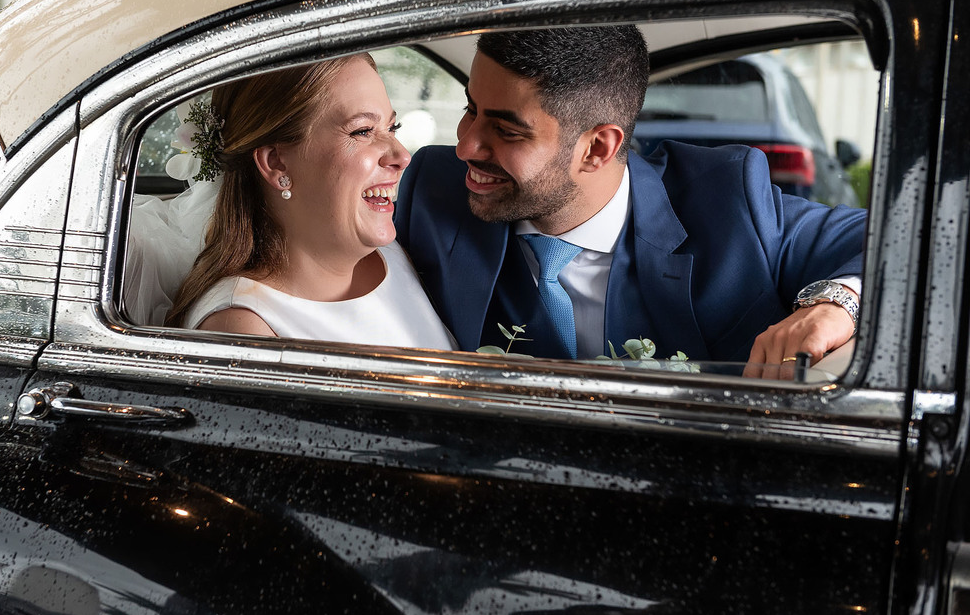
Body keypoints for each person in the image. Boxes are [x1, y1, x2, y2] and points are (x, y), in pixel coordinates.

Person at [393, 26, 866, 377]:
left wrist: (836, 304)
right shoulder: (433, 188)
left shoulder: (728, 201)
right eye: (469, 110)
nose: (465, 147)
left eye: (507, 130)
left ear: (597, 148)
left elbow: (902, 243)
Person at [134, 54, 456, 351]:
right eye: (362, 131)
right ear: (277, 163)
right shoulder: (244, 333)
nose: (402, 155)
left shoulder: (391, 253)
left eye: (392, 127)